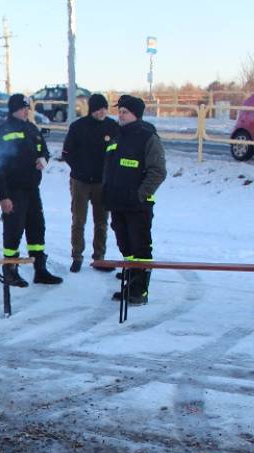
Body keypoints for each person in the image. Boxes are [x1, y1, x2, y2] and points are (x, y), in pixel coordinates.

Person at [0, 93, 63, 286]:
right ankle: (10, 270)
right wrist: (3, 197)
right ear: (13, 110)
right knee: (14, 230)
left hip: (32, 189)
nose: (26, 111)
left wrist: (44, 159)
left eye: (27, 108)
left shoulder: (32, 128)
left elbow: (44, 150)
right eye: (22, 108)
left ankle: (40, 269)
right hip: (12, 190)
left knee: (37, 228)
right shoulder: (1, 132)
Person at [101, 94, 166, 305]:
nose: (120, 115)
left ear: (136, 114)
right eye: (119, 111)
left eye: (125, 112)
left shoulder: (148, 137)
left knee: (141, 248)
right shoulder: (117, 136)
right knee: (126, 246)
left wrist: (140, 195)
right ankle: (130, 283)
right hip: (118, 203)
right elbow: (110, 168)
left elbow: (158, 171)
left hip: (138, 205)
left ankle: (140, 290)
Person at [62, 93, 119, 273]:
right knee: (78, 220)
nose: (102, 112)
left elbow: (117, 153)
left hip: (102, 182)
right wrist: (80, 169)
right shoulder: (78, 127)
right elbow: (66, 153)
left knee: (101, 222)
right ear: (91, 110)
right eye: (98, 109)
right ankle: (77, 256)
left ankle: (99, 257)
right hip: (80, 182)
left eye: (105, 109)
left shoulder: (112, 126)